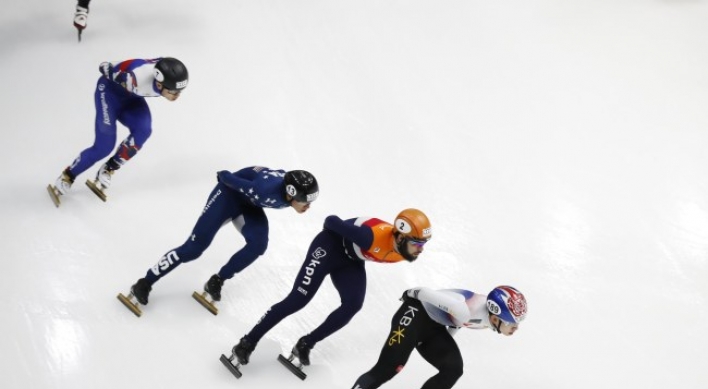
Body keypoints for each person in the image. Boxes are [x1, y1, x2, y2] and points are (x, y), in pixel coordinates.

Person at [228, 208, 432, 368]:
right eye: (417, 244)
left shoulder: (403, 252)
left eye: (424, 245)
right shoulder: (370, 237)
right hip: (328, 247)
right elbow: (331, 221)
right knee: (298, 300)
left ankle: (305, 344)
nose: (421, 250)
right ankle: (247, 343)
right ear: (401, 237)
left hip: (351, 260)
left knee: (353, 305)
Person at [118, 167, 319, 316]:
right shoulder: (266, 190)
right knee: (194, 249)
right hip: (228, 195)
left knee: (259, 245)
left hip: (249, 203)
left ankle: (217, 280)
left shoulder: (284, 188)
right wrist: (224, 175)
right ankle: (145, 282)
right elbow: (235, 181)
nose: (308, 205)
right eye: (306, 200)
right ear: (292, 193)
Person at [49, 57, 188, 205]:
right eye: (173, 92)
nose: (177, 96)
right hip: (109, 94)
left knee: (144, 130)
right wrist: (115, 72)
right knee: (104, 146)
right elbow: (103, 67)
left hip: (132, 99)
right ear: (159, 84)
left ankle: (108, 168)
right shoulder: (135, 78)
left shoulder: (161, 71)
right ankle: (68, 176)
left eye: (180, 91)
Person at [350, 285, 528, 389]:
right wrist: (409, 294)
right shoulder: (464, 309)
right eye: (512, 323)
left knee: (453, 369)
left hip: (434, 328)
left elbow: (458, 324)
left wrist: (443, 343)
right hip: (415, 311)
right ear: (496, 318)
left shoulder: (488, 320)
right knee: (389, 367)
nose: (516, 328)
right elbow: (426, 293)